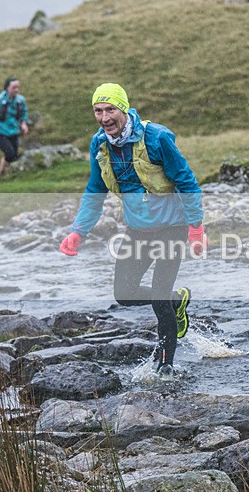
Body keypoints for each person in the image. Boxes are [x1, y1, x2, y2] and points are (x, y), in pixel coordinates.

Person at [59, 83, 207, 375]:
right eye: (98, 111)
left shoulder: (157, 138)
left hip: (172, 229)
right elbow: (95, 190)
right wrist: (79, 231)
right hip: (137, 231)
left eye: (110, 109)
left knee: (159, 297)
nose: (104, 117)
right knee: (124, 294)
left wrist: (195, 228)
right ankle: (178, 300)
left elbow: (187, 182)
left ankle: (164, 366)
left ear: (123, 109)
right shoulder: (99, 144)